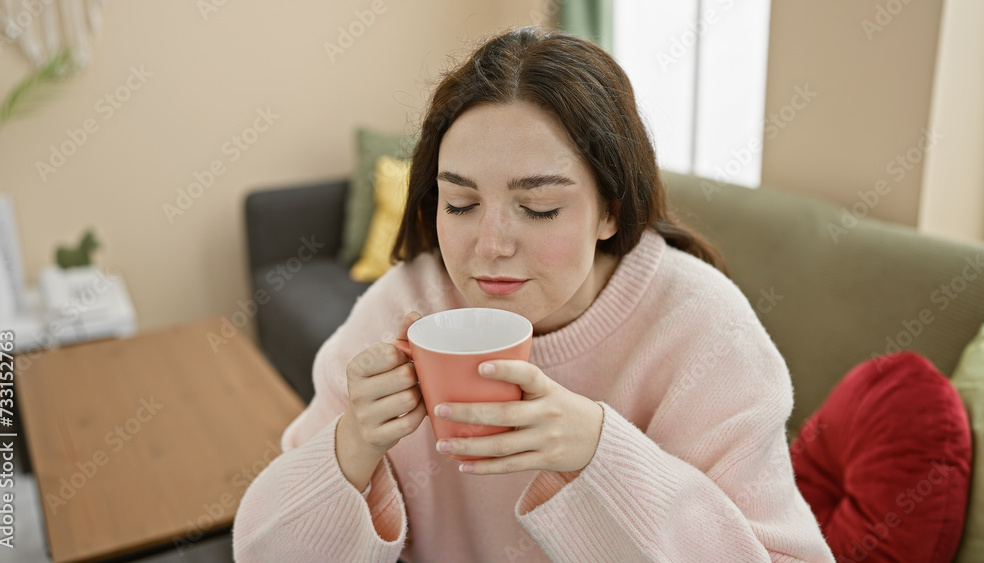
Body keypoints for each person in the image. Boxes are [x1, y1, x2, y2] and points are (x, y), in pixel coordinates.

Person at [233, 26, 833, 562]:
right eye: (460, 204)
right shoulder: (404, 307)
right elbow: (263, 549)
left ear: (610, 211)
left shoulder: (703, 328)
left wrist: (597, 453)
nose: (490, 244)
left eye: (540, 208)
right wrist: (353, 446)